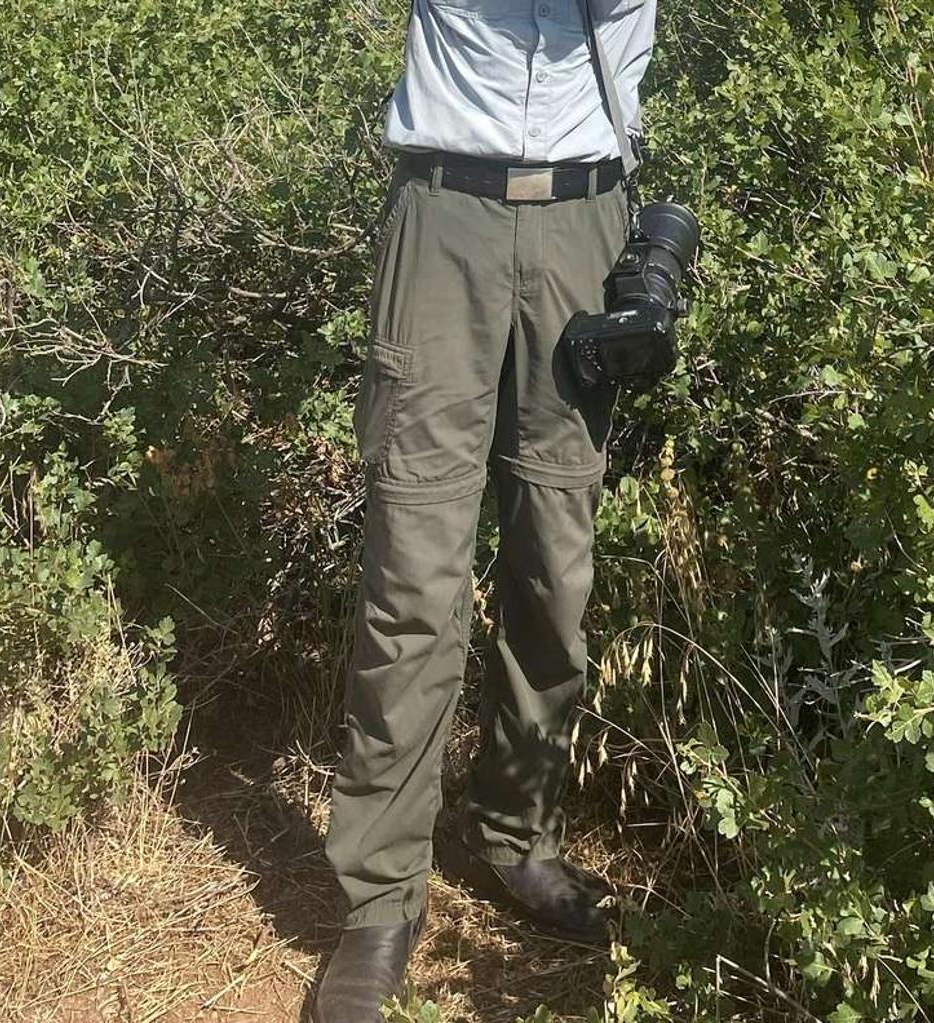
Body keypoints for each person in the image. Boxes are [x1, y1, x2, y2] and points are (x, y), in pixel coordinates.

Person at [312, 0, 655, 1019]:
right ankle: (377, 904)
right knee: (413, 574)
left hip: (584, 222)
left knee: (556, 564)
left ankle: (520, 839)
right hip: (441, 215)